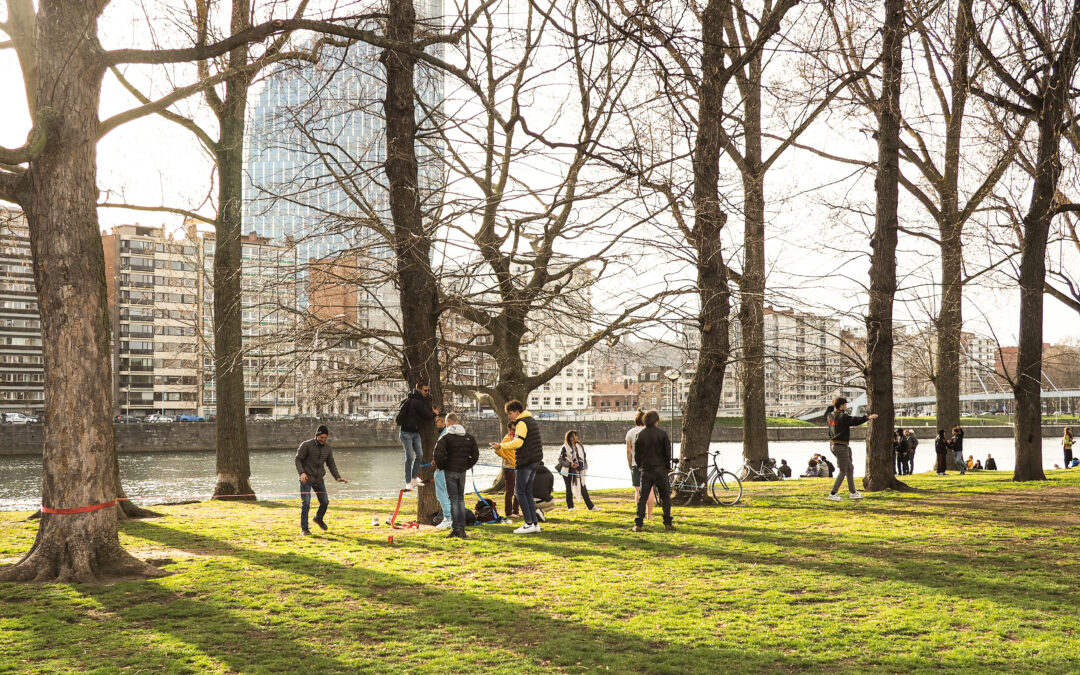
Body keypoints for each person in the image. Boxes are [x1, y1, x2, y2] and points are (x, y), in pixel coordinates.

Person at [492, 400, 544, 534]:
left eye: (510, 413)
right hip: (535, 460)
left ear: (517, 411)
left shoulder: (521, 423)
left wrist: (501, 446)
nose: (510, 416)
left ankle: (528, 523)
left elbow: (518, 442)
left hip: (526, 461)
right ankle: (535, 524)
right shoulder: (531, 420)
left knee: (519, 492)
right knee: (527, 492)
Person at [294, 425, 348, 536]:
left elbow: (331, 464)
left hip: (319, 479)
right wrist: (302, 473)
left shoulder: (327, 448)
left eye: (325, 438)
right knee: (306, 503)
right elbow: (298, 459)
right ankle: (304, 529)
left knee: (325, 502)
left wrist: (337, 477)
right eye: (321, 437)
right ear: (317, 435)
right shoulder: (306, 445)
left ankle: (318, 518)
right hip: (306, 479)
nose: (323, 440)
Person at [433, 413, 480, 539]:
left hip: (450, 471)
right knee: (460, 499)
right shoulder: (468, 437)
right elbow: (475, 455)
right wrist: (466, 465)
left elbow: (437, 454)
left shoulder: (446, 437)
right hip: (462, 471)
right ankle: (461, 528)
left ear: (449, 422)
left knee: (453, 499)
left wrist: (442, 466)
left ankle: (456, 528)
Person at [825, 397, 877, 501]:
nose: (846, 406)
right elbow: (855, 420)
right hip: (840, 446)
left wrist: (835, 405)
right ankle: (833, 493)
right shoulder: (842, 416)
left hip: (833, 445)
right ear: (841, 406)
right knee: (843, 470)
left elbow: (829, 409)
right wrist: (869, 417)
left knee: (850, 468)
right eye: (845, 405)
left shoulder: (829, 415)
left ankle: (853, 492)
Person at [631, 410, 674, 532]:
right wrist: (667, 466)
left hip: (646, 469)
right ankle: (667, 522)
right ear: (656, 421)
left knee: (642, 497)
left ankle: (638, 523)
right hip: (660, 469)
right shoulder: (662, 434)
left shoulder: (640, 435)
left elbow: (637, 455)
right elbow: (667, 452)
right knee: (665, 497)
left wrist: (641, 466)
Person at [396, 381, 441, 491]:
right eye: (425, 390)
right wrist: (434, 413)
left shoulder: (416, 400)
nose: (427, 392)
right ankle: (408, 482)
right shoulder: (416, 402)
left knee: (420, 455)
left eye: (428, 390)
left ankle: (414, 478)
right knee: (410, 457)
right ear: (419, 390)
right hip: (406, 433)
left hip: (415, 432)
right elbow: (426, 415)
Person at [558, 430, 598, 511]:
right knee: (569, 488)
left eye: (575, 436)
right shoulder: (564, 447)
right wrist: (570, 464)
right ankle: (570, 507)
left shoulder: (580, 446)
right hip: (567, 470)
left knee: (583, 487)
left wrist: (583, 466)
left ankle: (591, 506)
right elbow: (560, 459)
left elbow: (584, 457)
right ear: (569, 437)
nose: (574, 438)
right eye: (572, 436)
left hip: (579, 470)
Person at [626, 411, 654, 520]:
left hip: (635, 464)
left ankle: (639, 514)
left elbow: (629, 451)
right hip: (650, 465)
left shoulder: (630, 433)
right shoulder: (650, 432)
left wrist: (630, 464)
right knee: (650, 489)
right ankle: (649, 515)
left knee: (638, 490)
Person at [493, 421, 520, 518]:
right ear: (509, 429)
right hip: (509, 468)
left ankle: (516, 510)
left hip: (517, 467)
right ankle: (509, 512)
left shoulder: (516, 439)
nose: (515, 430)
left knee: (518, 490)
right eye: (513, 429)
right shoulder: (507, 438)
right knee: (510, 491)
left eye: (516, 428)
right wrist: (506, 458)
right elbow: (497, 450)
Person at [432, 415, 453, 530]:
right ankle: (451, 517)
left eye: (437, 422)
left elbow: (441, 451)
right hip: (449, 468)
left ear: (443, 421)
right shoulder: (451, 434)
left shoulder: (444, 434)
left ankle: (448, 518)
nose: (436, 424)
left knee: (441, 494)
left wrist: (439, 463)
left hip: (442, 469)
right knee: (449, 494)